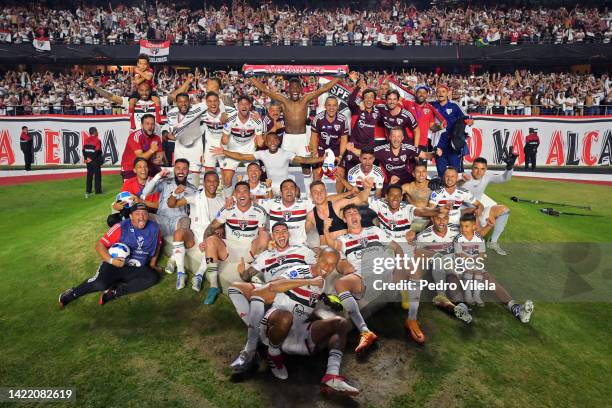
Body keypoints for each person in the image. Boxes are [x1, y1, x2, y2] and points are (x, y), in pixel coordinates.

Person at [228, 222, 317, 371]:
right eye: (277, 232)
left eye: (284, 231)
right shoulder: (265, 255)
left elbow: (317, 269)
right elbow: (247, 276)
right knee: (234, 288)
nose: (281, 234)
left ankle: (249, 351)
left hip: (293, 288)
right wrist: (242, 272)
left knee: (262, 293)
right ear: (273, 236)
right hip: (271, 289)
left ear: (288, 234)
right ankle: (256, 327)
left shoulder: (302, 250)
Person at [324, 204, 404, 353]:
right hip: (362, 275)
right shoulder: (342, 240)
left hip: (382, 269)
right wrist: (325, 230)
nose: (353, 216)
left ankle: (398, 292)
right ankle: (365, 331)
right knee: (340, 283)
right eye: (349, 214)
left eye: (356, 213)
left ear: (360, 216)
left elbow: (397, 248)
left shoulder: (374, 231)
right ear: (344, 219)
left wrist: (399, 267)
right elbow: (335, 253)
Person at [58, 203, 161, 307]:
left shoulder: (155, 228)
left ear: (148, 215)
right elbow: (99, 245)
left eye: (144, 213)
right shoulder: (120, 227)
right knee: (100, 284)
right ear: (130, 216)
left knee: (152, 277)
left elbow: (157, 245)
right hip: (115, 265)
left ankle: (114, 292)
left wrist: (152, 264)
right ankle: (72, 293)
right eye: (137, 213)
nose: (141, 216)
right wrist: (111, 261)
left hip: (136, 267)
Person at [249, 75, 342, 183]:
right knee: (282, 166)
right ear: (288, 89)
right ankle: (280, 190)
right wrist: (250, 77)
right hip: (288, 139)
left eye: (297, 87)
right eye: (292, 88)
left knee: (306, 167)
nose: (295, 90)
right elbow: (264, 89)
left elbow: (323, 89)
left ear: (301, 89)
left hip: (302, 138)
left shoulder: (305, 99)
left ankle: (308, 194)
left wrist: (338, 78)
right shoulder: (283, 100)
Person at [197, 181, 269, 304]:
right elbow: (212, 226)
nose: (242, 194)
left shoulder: (259, 211)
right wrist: (205, 241)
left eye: (245, 191)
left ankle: (256, 270)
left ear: (249, 193)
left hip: (249, 249)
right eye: (238, 191)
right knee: (211, 240)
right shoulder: (227, 209)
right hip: (230, 249)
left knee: (265, 235)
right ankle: (214, 286)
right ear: (235, 194)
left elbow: (262, 234)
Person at [454, 214, 534, 323]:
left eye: (466, 226)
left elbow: (481, 254)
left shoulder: (478, 238)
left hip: (473, 265)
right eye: (461, 226)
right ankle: (462, 307)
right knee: (453, 279)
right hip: (459, 266)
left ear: (473, 226)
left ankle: (516, 308)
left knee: (487, 277)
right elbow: (459, 255)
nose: (463, 229)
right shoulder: (458, 238)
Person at [166, 171, 225, 291]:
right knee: (178, 233)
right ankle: (181, 273)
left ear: (218, 183)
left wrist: (220, 230)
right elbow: (172, 204)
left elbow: (222, 222)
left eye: (215, 181)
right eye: (209, 181)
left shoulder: (222, 201)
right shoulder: (195, 197)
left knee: (212, 244)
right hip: (193, 235)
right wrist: (174, 193)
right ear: (204, 183)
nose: (212, 184)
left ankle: (199, 275)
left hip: (209, 236)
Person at [213, 132, 324, 194]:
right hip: (268, 186)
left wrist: (322, 158)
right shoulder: (262, 153)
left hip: (284, 186)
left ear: (278, 141)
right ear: (266, 142)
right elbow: (242, 156)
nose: (272, 142)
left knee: (297, 191)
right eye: (269, 140)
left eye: (275, 140)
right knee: (246, 191)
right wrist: (224, 152)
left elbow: (304, 160)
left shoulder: (286, 153)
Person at [415, 212, 473, 324]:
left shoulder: (456, 230)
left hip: (453, 265)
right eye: (438, 218)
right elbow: (415, 252)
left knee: (453, 281)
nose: (442, 222)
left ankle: (460, 307)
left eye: (445, 218)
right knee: (438, 261)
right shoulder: (423, 236)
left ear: (448, 218)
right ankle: (441, 295)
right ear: (432, 218)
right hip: (436, 270)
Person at [460, 156, 516, 255]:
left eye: (482, 169)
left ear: (486, 170)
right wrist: (460, 181)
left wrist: (509, 168)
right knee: (472, 241)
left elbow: (504, 178)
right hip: (463, 214)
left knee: (504, 210)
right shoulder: (464, 177)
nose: (479, 172)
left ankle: (493, 242)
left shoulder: (487, 176)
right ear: (472, 168)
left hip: (479, 210)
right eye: (476, 168)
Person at [347, 127, 432, 188]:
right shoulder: (382, 150)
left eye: (399, 136)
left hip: (408, 182)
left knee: (430, 185)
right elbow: (365, 154)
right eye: (394, 136)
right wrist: (352, 149)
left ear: (402, 138)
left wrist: (435, 153)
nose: (396, 139)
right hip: (391, 183)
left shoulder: (408, 148)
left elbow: (425, 155)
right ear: (389, 137)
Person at [219, 95, 264, 196]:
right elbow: (225, 140)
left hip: (249, 151)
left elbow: (260, 141)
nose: (244, 106)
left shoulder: (256, 119)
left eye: (246, 104)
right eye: (241, 104)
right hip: (233, 150)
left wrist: (261, 138)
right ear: (237, 106)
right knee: (226, 178)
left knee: (255, 176)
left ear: (250, 106)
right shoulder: (230, 118)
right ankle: (228, 200)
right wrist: (223, 137)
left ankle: (255, 199)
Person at [141, 159, 197, 237]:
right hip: (161, 219)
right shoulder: (165, 182)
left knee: (186, 220)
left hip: (179, 221)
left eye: (184, 169)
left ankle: (179, 246)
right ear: (174, 170)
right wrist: (159, 175)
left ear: (188, 171)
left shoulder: (192, 188)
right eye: (178, 168)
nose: (181, 171)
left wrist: (185, 189)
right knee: (144, 216)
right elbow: (145, 192)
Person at [307, 179, 372, 247]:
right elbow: (301, 234)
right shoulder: (311, 215)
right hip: (327, 251)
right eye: (315, 191)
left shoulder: (337, 205)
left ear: (326, 193)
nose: (319, 193)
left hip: (345, 247)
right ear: (311, 196)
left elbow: (360, 199)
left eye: (321, 190)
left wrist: (368, 188)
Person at [310, 96, 349, 192]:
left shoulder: (343, 120)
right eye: (329, 105)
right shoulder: (318, 118)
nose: (332, 108)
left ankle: (338, 197)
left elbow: (344, 140)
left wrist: (340, 156)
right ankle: (316, 197)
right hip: (321, 149)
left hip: (336, 149)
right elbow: (313, 137)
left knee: (340, 173)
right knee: (317, 173)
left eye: (334, 105)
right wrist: (314, 153)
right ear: (325, 106)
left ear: (338, 107)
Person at [260, 179, 315, 246]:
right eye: (285, 188)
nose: (289, 190)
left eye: (292, 188)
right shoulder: (272, 203)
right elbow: (250, 201)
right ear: (281, 193)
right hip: (277, 246)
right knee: (262, 236)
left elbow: (324, 202)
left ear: (295, 191)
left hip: (299, 245)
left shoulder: (304, 203)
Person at [108, 158, 160, 227]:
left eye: (145, 166)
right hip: (132, 212)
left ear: (148, 168)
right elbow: (121, 201)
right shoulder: (128, 183)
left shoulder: (156, 182)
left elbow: (160, 206)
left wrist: (140, 201)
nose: (143, 169)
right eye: (139, 167)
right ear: (135, 170)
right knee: (112, 219)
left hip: (149, 213)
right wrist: (117, 205)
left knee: (139, 219)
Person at [432, 85, 469, 176]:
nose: (440, 93)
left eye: (443, 91)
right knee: (441, 174)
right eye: (438, 91)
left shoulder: (454, 105)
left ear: (448, 93)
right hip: (439, 145)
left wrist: (461, 136)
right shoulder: (432, 106)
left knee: (457, 174)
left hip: (453, 145)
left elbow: (467, 119)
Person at [119, 114, 163, 180]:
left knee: (162, 178)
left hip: (147, 167)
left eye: (152, 124)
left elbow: (159, 156)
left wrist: (158, 159)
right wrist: (151, 150)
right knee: (132, 190)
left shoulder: (156, 138)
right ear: (142, 125)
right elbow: (140, 158)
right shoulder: (135, 136)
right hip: (130, 168)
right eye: (147, 124)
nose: (150, 126)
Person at [404, 85, 447, 151]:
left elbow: (432, 126)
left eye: (424, 93)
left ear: (427, 95)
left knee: (420, 161)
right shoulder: (408, 104)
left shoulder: (430, 109)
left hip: (422, 143)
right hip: (408, 141)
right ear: (415, 93)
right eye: (419, 92)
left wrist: (439, 127)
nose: (422, 95)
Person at [201, 91, 234, 172]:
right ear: (206, 103)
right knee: (208, 172)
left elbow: (243, 113)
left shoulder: (230, 112)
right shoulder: (201, 113)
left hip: (225, 145)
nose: (213, 104)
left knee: (226, 172)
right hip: (210, 145)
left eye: (215, 101)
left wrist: (255, 116)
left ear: (219, 102)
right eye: (210, 101)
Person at [402, 162, 434, 232]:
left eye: (423, 171)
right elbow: (392, 195)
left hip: (430, 219)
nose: (421, 174)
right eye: (418, 172)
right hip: (414, 219)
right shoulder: (408, 187)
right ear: (413, 174)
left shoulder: (433, 186)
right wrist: (391, 184)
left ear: (426, 173)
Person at [83, 126, 103, 197]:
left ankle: (88, 190)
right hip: (95, 161)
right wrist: (92, 158)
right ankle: (98, 191)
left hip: (88, 161)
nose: (97, 132)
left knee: (89, 175)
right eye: (97, 131)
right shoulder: (97, 140)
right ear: (95, 132)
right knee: (97, 176)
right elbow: (97, 151)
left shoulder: (85, 140)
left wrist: (86, 158)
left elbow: (83, 150)